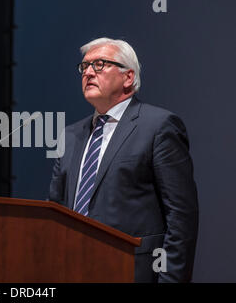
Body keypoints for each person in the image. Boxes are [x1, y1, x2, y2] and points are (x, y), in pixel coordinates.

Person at [48, 37, 199, 282]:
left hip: (132, 271)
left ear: (128, 77)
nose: (88, 72)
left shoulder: (158, 127)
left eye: (99, 64)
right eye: (84, 67)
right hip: (71, 270)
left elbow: (181, 215)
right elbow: (54, 210)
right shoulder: (70, 135)